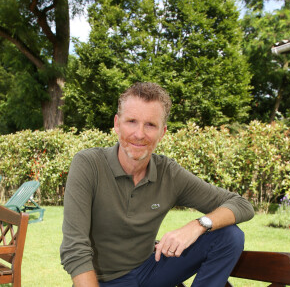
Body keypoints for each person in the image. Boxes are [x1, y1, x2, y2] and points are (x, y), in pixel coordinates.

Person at [60, 82, 254, 287]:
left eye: (150, 125)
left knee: (229, 236)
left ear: (163, 132)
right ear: (117, 124)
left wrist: (197, 226)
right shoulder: (89, 164)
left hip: (150, 272)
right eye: (131, 121)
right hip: (104, 281)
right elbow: (75, 249)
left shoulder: (169, 173)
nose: (140, 134)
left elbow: (242, 205)